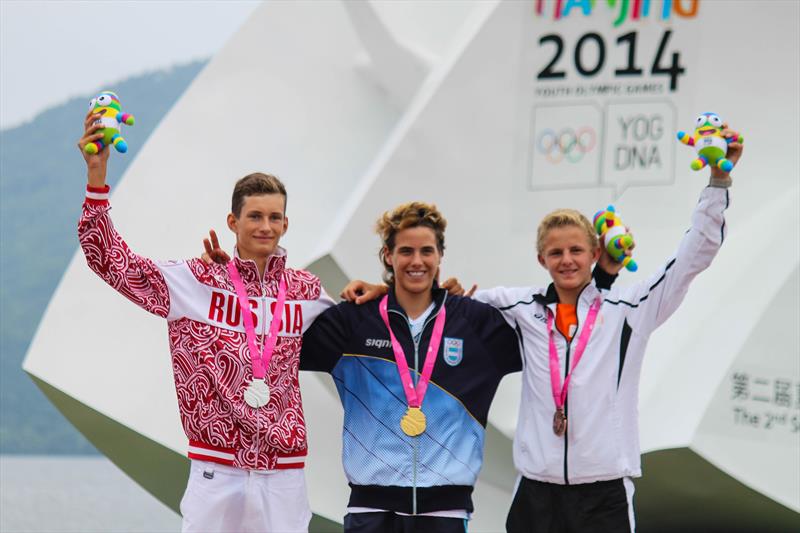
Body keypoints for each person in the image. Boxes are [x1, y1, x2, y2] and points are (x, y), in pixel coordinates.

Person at [474, 125, 743, 533]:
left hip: (603, 497)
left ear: (594, 253)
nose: (567, 260)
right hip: (536, 493)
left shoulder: (629, 309)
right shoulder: (517, 306)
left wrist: (718, 183)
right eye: (556, 252)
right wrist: (378, 292)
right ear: (541, 258)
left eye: (576, 250)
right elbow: (444, 304)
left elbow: (694, 256)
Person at [76, 109, 335, 532]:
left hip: (284, 476)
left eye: (274, 217)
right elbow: (109, 259)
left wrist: (376, 289)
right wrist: (97, 180)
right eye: (255, 216)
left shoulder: (305, 290)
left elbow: (363, 326)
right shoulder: (196, 281)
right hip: (217, 472)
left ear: (286, 224)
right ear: (233, 222)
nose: (265, 226)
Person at [299, 202, 525, 533]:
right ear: (388, 256)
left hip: (445, 513)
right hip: (370, 510)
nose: (417, 261)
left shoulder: (475, 324)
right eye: (406, 251)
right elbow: (276, 347)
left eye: (426, 251)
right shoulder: (354, 321)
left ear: (440, 256)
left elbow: (552, 342)